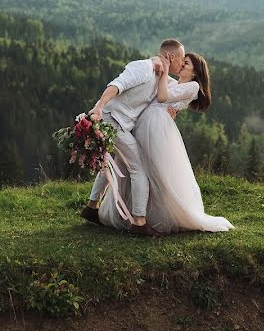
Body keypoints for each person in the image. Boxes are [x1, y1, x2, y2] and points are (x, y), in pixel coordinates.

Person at [99, 52, 234, 234]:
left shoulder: (193, 86)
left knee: (154, 169)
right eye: (183, 62)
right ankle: (133, 213)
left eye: (186, 63)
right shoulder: (177, 83)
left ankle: (154, 215)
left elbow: (162, 96)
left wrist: (164, 74)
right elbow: (163, 80)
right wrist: (157, 62)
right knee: (135, 165)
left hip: (156, 126)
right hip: (146, 122)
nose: (182, 65)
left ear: (196, 72)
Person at [80, 39, 186, 236]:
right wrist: (98, 108)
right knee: (138, 168)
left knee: (116, 163)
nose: (182, 64)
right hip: (112, 120)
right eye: (181, 60)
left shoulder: (162, 76)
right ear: (171, 57)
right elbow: (116, 86)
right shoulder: (144, 68)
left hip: (121, 125)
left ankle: (91, 207)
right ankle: (139, 221)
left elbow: (179, 90)